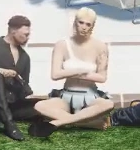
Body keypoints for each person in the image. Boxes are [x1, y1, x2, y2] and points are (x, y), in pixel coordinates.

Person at [30, 8, 115, 138]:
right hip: (66, 96)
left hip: (90, 97)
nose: (84, 27)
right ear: (75, 22)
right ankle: (86, 123)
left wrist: (73, 73)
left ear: (93, 26)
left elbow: (102, 78)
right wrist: (80, 71)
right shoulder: (62, 45)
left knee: (108, 104)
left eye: (88, 24)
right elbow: (55, 75)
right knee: (39, 106)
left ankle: (59, 122)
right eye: (81, 22)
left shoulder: (100, 46)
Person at [0, 15, 40, 141]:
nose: (27, 38)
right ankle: (9, 124)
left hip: (13, 105)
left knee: (43, 104)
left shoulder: (25, 57)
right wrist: (3, 71)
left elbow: (23, 86)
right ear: (13, 31)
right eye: (25, 34)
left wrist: (24, 88)